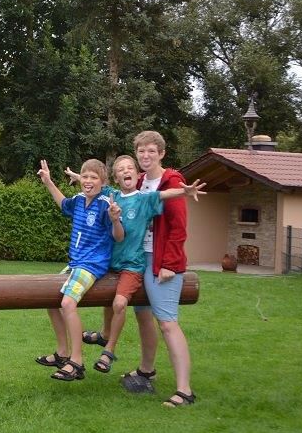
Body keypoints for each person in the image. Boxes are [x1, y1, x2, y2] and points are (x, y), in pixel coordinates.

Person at [74, 156, 205, 375]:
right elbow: (95, 182)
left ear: (137, 174)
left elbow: (163, 195)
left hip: (132, 265)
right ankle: (105, 334)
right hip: (110, 263)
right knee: (106, 301)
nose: (126, 171)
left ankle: (109, 351)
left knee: (119, 303)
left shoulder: (144, 199)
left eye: (129, 168)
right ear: (116, 178)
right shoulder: (112, 196)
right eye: (120, 170)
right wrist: (78, 176)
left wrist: (185, 191)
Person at [121, 130, 197, 407]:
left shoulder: (172, 181)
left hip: (161, 260)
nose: (145, 155)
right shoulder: (140, 182)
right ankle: (146, 370)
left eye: (151, 151)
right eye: (141, 151)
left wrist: (169, 264)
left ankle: (184, 390)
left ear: (162, 154)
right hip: (139, 258)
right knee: (142, 315)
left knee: (166, 322)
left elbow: (178, 227)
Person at [35, 158, 124, 381]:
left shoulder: (105, 203)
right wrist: (48, 182)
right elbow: (63, 204)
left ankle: (77, 361)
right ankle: (63, 353)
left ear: (103, 182)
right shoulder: (78, 200)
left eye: (94, 177)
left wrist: (115, 220)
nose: (88, 181)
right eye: (84, 176)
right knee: (49, 300)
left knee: (67, 303)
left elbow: (118, 236)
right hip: (75, 262)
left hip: (93, 264)